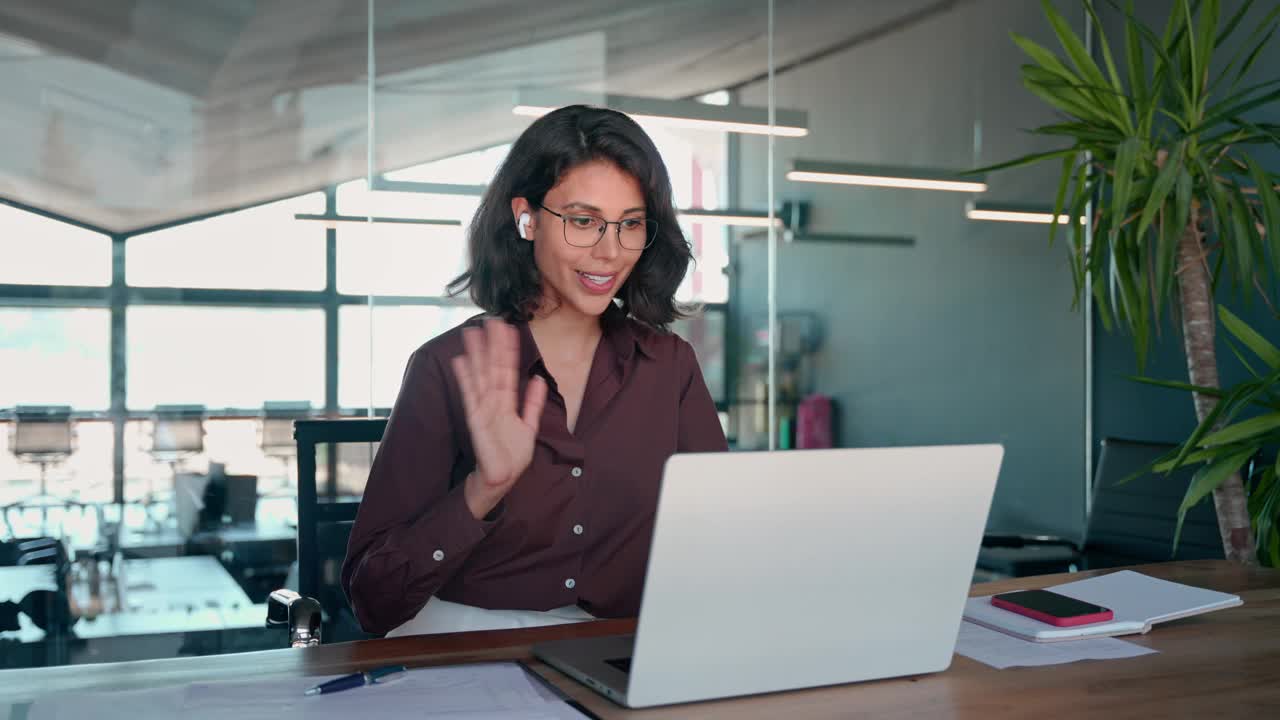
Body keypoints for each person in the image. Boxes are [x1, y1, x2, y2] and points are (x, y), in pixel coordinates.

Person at [341, 105, 728, 636]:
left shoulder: (670, 368)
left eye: (631, 224)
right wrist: (484, 489)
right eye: (583, 221)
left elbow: (717, 542)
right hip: (466, 648)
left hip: (615, 650)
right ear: (526, 218)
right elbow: (372, 600)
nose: (610, 251)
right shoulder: (444, 366)